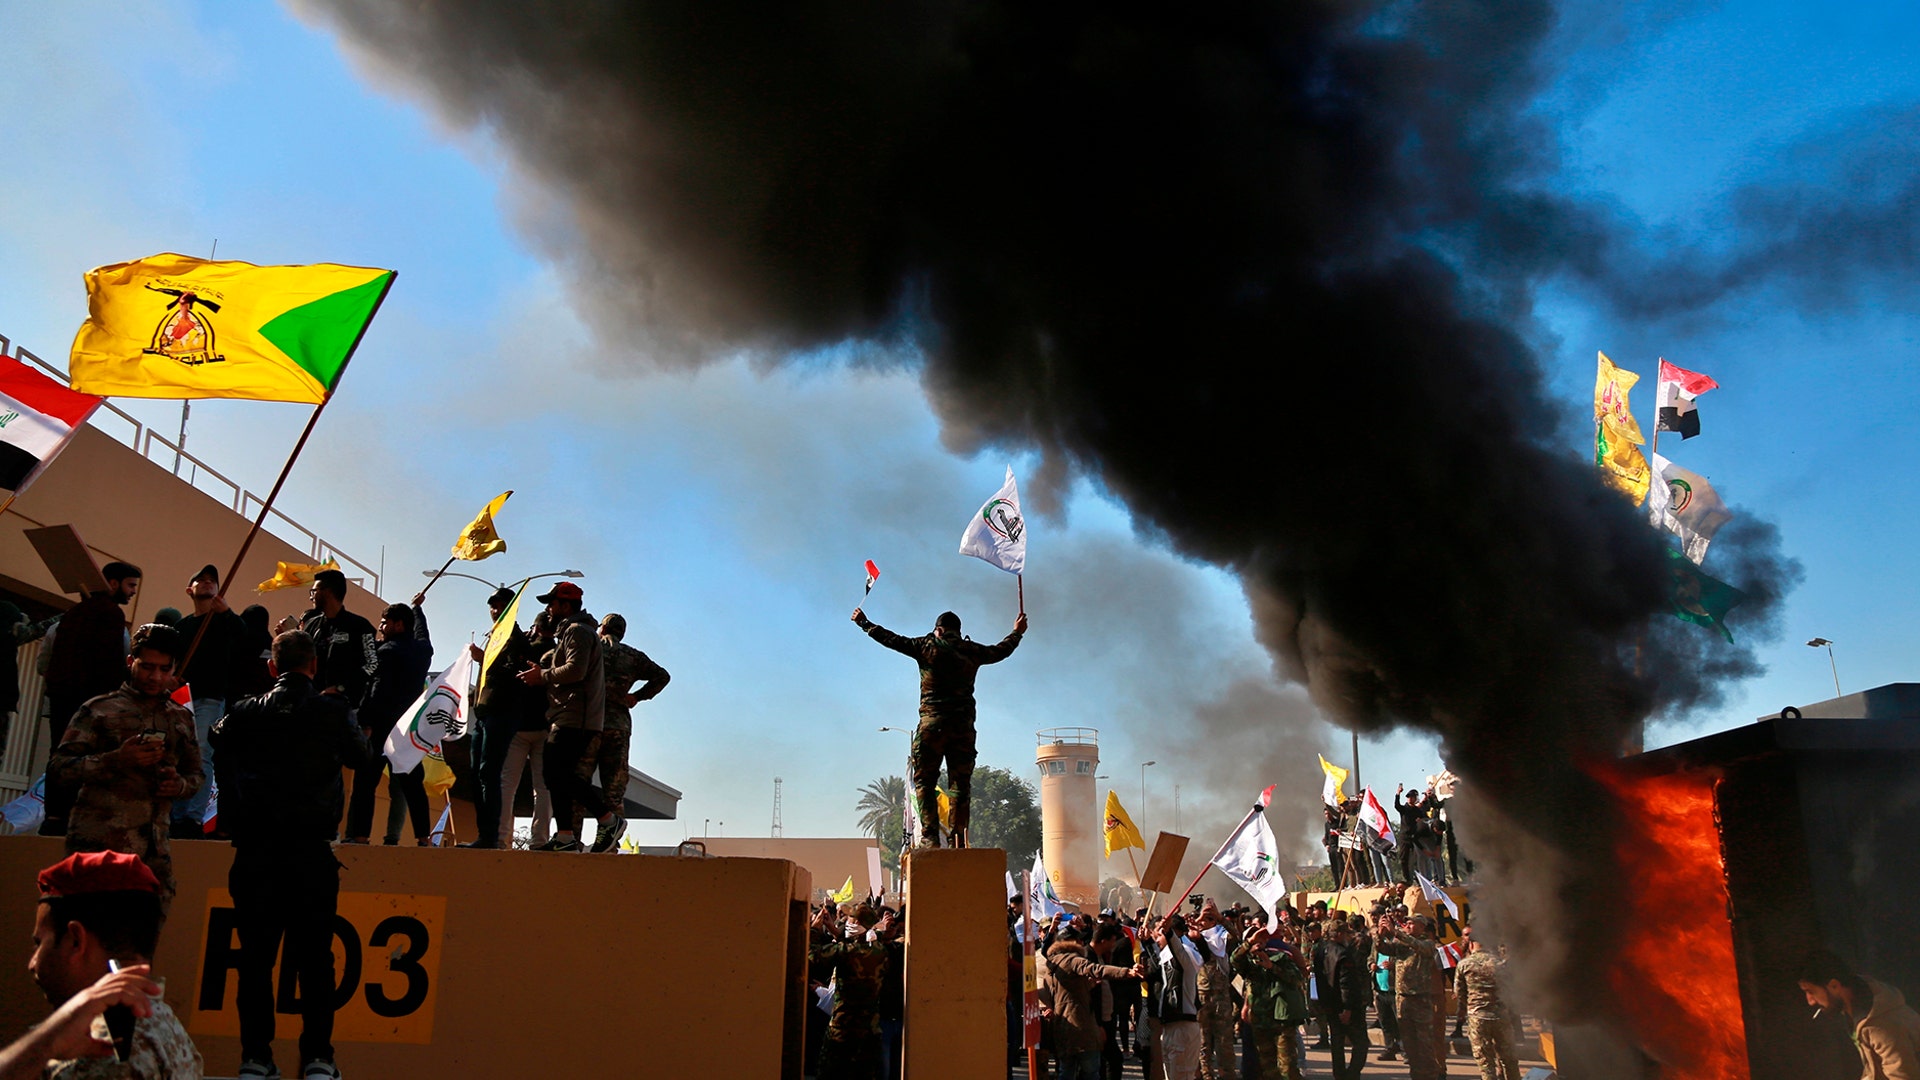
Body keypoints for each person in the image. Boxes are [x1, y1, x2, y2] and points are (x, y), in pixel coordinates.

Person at [210, 629, 375, 1080]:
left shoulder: (244, 711)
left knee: (255, 960)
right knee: (316, 960)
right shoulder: (332, 710)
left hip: (256, 850)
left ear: (271, 667)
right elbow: (361, 758)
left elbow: (216, 739)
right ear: (314, 665)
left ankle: (256, 1058)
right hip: (310, 852)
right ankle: (319, 1057)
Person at [46, 624, 203, 914]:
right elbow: (59, 770)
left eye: (164, 669)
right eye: (147, 667)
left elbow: (196, 776)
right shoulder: (99, 710)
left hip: (154, 857)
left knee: (138, 950)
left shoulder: (180, 717)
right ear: (132, 662)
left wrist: (177, 785)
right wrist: (116, 760)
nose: (155, 677)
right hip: (99, 849)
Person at [14, 850, 201, 1079]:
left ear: (76, 940)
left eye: (39, 943)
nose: (32, 963)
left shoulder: (94, 1047)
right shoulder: (163, 1022)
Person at [849, 607, 1026, 848]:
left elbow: (892, 639)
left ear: (939, 630)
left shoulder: (927, 646)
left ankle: (930, 837)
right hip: (963, 729)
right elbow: (1000, 651)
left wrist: (864, 623)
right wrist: (1017, 633)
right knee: (960, 786)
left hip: (932, 726)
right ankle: (958, 840)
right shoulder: (971, 651)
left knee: (924, 782)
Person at [517, 581, 623, 852]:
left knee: (555, 772)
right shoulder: (572, 632)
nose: (548, 609)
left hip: (577, 716)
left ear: (565, 605)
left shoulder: (577, 631)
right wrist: (542, 671)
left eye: (551, 603)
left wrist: (541, 676)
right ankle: (565, 837)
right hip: (570, 714)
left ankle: (608, 820)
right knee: (556, 774)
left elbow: (575, 670)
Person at [42, 561, 143, 836]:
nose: (133, 592)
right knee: (87, 758)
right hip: (89, 701)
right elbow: (109, 665)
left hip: (61, 698)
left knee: (59, 754)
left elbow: (48, 662)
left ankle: (53, 816)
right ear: (112, 583)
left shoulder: (73, 614)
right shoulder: (110, 616)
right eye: (130, 585)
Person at [342, 596, 432, 845]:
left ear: (399, 625)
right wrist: (418, 609)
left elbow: (376, 690)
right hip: (407, 728)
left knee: (365, 783)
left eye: (385, 623)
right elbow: (423, 633)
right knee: (413, 786)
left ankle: (359, 835)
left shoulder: (386, 652)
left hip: (381, 726)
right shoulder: (424, 652)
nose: (381, 627)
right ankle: (424, 838)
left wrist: (365, 721)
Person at [463, 587, 546, 849]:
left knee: (490, 773)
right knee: (477, 774)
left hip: (504, 713)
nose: (495, 611)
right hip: (485, 714)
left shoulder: (517, 639)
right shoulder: (496, 636)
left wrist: (484, 658)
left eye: (500, 606)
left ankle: (491, 837)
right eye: (492, 606)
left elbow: (514, 672)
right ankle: (484, 834)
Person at [170, 565, 246, 839]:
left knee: (202, 754)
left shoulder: (225, 621)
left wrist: (225, 612)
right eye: (200, 580)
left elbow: (244, 638)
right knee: (179, 756)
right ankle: (176, 816)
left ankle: (191, 817)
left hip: (211, 698)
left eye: (211, 581)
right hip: (182, 698)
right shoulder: (182, 627)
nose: (206, 583)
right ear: (189, 590)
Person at [584, 612, 669, 831]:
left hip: (587, 722)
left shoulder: (591, 648)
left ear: (602, 629)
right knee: (614, 790)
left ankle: (572, 840)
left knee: (579, 785)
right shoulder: (633, 656)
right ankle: (610, 841)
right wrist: (636, 697)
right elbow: (662, 676)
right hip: (618, 726)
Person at [1038, 923, 1142, 1080]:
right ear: (1071, 942)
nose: (1082, 943)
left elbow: (1063, 992)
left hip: (1062, 1026)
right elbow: (1096, 969)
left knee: (1067, 1070)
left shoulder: (1052, 964)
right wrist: (1126, 972)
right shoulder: (1072, 960)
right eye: (1078, 940)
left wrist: (1088, 984)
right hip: (1081, 1026)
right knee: (1090, 1072)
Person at [1797, 950, 1920, 1080]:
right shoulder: (1857, 1004)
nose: (1810, 1001)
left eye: (1811, 992)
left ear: (1834, 985)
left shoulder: (1881, 1027)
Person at [809, 903, 892, 1079]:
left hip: (843, 1030)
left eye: (851, 921)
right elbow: (858, 946)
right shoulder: (879, 951)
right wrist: (833, 929)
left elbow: (812, 956)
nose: (847, 923)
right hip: (870, 1031)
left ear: (859, 925)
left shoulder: (846, 952)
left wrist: (815, 930)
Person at [1377, 914, 1447, 1080]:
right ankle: (1416, 1076)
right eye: (1406, 923)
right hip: (1403, 999)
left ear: (1422, 927)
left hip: (1420, 1000)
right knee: (1410, 1045)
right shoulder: (1402, 943)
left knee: (1425, 1045)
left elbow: (1419, 946)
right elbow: (1383, 949)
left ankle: (1431, 1076)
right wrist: (1379, 935)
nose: (1407, 925)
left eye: (1411, 923)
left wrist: (1396, 932)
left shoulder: (1427, 944)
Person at [1232, 926, 1306, 1080]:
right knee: (1268, 1069)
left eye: (1261, 940)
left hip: (1282, 1023)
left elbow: (1297, 979)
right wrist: (1249, 942)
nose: (1258, 945)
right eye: (1255, 941)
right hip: (1260, 1022)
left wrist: (1272, 967)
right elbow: (1234, 959)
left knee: (1287, 1069)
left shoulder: (1280, 958)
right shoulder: (1249, 964)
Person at [299, 569, 376, 716]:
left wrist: (341, 688)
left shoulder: (361, 626)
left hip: (344, 709)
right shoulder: (311, 625)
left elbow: (372, 664)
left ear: (327, 591)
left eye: (314, 591)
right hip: (310, 706)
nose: (311, 597)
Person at [1454, 932, 1520, 1080]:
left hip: (1478, 1017)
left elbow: (1459, 992)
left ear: (1471, 944)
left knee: (1486, 1063)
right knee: (1509, 1059)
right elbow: (1511, 989)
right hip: (1501, 1016)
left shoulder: (1464, 964)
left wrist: (1472, 1005)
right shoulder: (1500, 963)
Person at [1192, 900, 1239, 1080]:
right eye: (1203, 919)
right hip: (1201, 996)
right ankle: (1206, 1075)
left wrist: (1220, 918)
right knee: (1203, 1042)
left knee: (1224, 1041)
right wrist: (1199, 918)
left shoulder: (1220, 938)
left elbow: (1236, 935)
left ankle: (1227, 1074)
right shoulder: (1194, 938)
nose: (1204, 922)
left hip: (1221, 996)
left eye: (1208, 919)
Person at [1317, 919, 1370, 1080]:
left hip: (1329, 1005)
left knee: (1337, 1044)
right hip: (1346, 1007)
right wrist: (1347, 1008)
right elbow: (1345, 983)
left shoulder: (1321, 950)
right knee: (1361, 1043)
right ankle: (1351, 1075)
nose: (1348, 936)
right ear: (1339, 934)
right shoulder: (1343, 953)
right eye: (1346, 933)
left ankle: (1339, 1075)